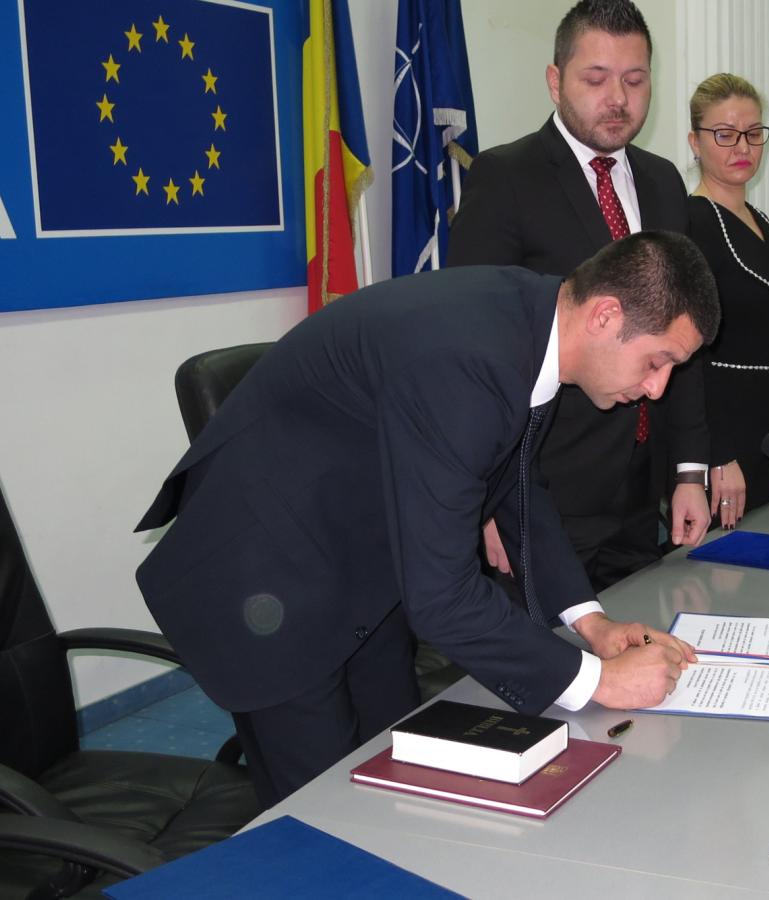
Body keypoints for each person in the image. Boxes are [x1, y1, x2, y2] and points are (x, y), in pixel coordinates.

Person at [134, 231, 720, 806]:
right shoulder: (468, 361)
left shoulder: (534, 323)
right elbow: (441, 595)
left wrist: (591, 624)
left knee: (396, 773)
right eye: (657, 361)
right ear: (605, 315)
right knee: (324, 817)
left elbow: (517, 484)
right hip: (267, 583)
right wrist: (599, 681)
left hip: (360, 560)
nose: (657, 388)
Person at [447, 0, 710, 592]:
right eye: (596, 79)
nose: (617, 98)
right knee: (547, 646)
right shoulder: (506, 177)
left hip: (643, 489)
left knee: (638, 629)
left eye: (634, 80)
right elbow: (473, 353)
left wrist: (689, 469)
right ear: (555, 80)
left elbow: (681, 336)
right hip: (541, 492)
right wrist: (486, 501)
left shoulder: (664, 182)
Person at [686, 73, 769, 525]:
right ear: (695, 142)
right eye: (725, 134)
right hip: (725, 437)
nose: (743, 147)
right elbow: (688, 360)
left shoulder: (756, 218)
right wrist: (717, 455)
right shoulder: (692, 223)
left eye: (753, 134)